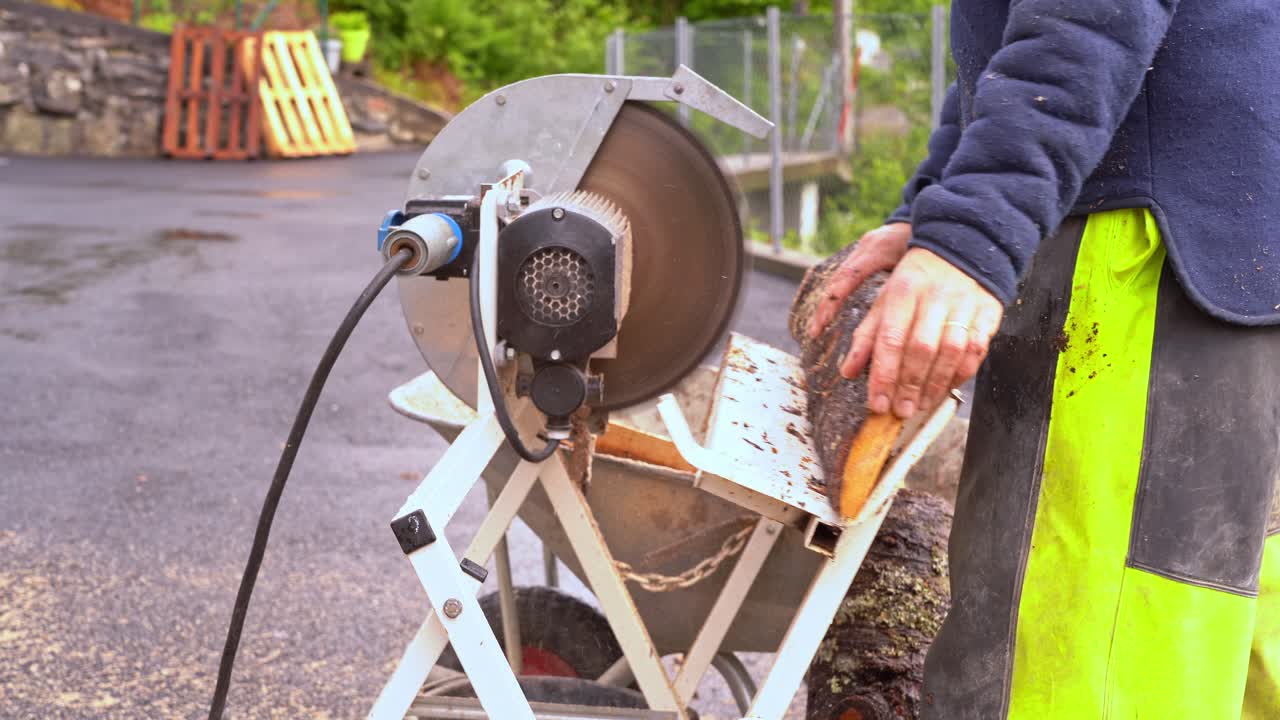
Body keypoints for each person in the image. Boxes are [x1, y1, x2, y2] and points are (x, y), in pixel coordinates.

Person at [807, 1, 1280, 717]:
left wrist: (973, 231)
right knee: (1221, 645)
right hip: (1238, 251)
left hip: (1141, 259)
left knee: (1069, 679)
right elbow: (1008, 41)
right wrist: (937, 206)